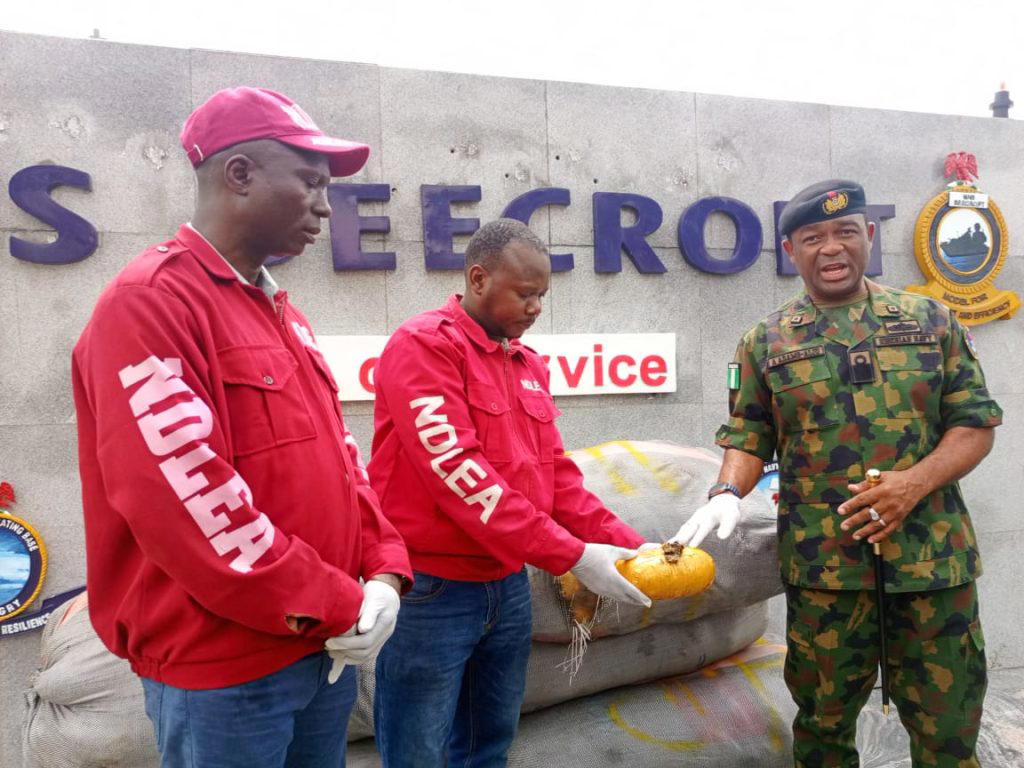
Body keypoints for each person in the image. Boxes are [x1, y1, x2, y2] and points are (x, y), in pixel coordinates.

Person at [72, 86, 412, 768]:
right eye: (312, 182)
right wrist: (339, 600)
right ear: (239, 175)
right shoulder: (150, 306)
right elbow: (190, 504)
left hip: (321, 650)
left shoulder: (281, 311)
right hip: (226, 671)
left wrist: (386, 570)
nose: (325, 204)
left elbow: (344, 463)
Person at [673, 179, 1001, 767]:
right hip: (827, 574)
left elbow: (974, 425)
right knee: (822, 731)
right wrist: (725, 491)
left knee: (949, 734)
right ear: (790, 250)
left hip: (931, 565)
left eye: (846, 232)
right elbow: (748, 432)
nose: (832, 248)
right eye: (813, 237)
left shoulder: (932, 321)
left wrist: (912, 485)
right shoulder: (765, 342)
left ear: (869, 237)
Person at [368, 218, 653, 767]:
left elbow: (556, 476)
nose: (536, 308)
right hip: (432, 591)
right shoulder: (424, 347)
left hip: (507, 586)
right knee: (417, 752)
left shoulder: (527, 364)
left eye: (542, 295)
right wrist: (572, 555)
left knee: (488, 745)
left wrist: (628, 545)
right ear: (479, 278)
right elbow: (460, 475)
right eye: (525, 294)